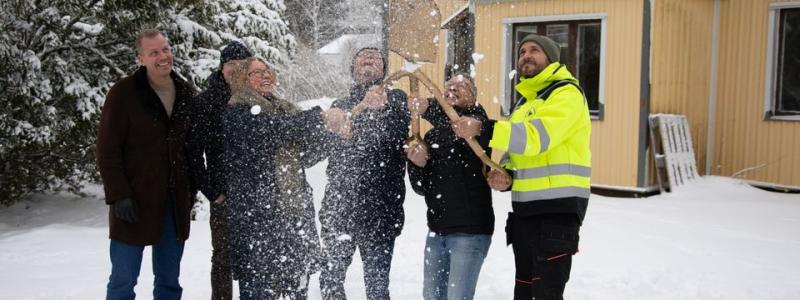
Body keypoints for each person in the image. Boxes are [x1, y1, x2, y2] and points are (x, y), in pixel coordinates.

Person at [451, 34, 592, 300]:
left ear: (551, 58)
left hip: (556, 214)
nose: (526, 55)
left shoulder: (566, 94)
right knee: (525, 293)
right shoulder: (525, 103)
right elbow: (519, 155)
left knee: (546, 295)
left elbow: (536, 138)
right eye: (522, 51)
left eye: (534, 50)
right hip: (526, 215)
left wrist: (484, 127)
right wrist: (506, 175)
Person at [223, 57, 348, 300]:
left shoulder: (284, 109)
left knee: (297, 289)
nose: (266, 75)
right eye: (256, 73)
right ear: (241, 80)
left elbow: (306, 154)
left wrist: (334, 136)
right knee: (259, 290)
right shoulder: (238, 113)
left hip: (294, 218)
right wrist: (319, 117)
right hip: (259, 221)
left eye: (267, 70)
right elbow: (270, 131)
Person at [96, 28, 195, 300]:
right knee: (123, 281)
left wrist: (190, 192)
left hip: (173, 205)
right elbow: (107, 150)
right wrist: (119, 195)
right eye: (154, 52)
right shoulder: (124, 93)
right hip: (133, 203)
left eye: (165, 49)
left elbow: (190, 149)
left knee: (169, 281)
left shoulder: (185, 92)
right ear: (141, 58)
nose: (163, 56)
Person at [318, 47, 410, 300]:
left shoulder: (397, 99)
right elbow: (325, 149)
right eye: (363, 57)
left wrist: (381, 111)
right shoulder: (340, 105)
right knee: (331, 284)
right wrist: (337, 134)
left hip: (380, 211)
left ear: (383, 70)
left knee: (378, 289)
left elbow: (397, 137)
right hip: (340, 210)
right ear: (353, 68)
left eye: (375, 58)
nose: (369, 59)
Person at [406, 73, 494, 300]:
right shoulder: (434, 134)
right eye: (448, 87)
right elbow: (421, 187)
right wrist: (417, 164)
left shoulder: (477, 125)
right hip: (437, 231)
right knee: (432, 296)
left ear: (474, 96)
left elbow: (463, 124)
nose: (452, 89)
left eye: (461, 86)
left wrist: (428, 108)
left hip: (470, 232)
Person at [186, 40, 252, 300]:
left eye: (241, 64)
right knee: (223, 258)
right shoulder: (206, 101)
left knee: (255, 255)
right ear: (222, 67)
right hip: (225, 193)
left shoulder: (256, 98)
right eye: (230, 64)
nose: (235, 69)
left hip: (257, 193)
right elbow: (193, 152)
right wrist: (212, 191)